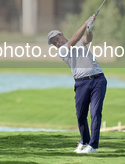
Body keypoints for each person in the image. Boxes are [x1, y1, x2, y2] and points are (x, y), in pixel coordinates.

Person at [47, 14, 107, 154]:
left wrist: (88, 29)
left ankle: (93, 145)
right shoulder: (62, 51)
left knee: (95, 112)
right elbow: (74, 37)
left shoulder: (79, 42)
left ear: (61, 35)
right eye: (53, 43)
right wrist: (86, 21)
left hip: (98, 79)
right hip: (81, 83)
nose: (57, 43)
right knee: (80, 115)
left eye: (57, 39)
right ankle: (84, 141)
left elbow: (87, 39)